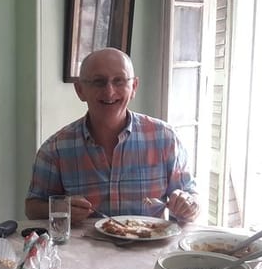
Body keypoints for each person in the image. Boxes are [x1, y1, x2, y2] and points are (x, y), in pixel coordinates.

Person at [25, 47, 199, 223]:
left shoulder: (165, 139)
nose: (109, 92)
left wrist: (188, 205)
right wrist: (60, 208)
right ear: (80, 90)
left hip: (149, 249)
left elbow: (192, 199)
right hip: (83, 249)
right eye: (98, 82)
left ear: (134, 87)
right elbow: (32, 208)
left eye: (119, 81)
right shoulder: (56, 149)